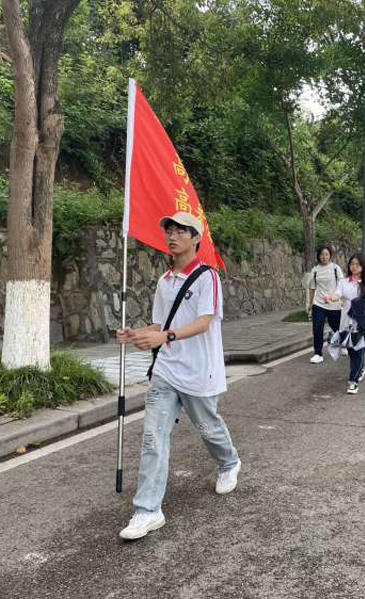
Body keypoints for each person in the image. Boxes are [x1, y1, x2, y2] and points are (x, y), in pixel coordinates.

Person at [116, 211, 240, 541]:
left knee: (208, 426)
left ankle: (229, 463)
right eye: (169, 230)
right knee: (153, 437)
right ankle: (147, 510)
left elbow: (204, 321)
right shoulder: (164, 280)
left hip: (199, 370)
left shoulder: (207, 277)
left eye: (180, 231)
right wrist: (137, 333)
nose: (172, 236)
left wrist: (164, 337)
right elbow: (160, 323)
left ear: (196, 238)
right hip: (167, 370)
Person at [323, 253, 365, 394]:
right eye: (352, 264)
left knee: (358, 351)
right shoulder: (344, 281)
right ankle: (360, 369)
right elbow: (337, 294)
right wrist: (330, 298)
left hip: (362, 324)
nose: (354, 267)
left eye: (357, 264)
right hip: (346, 322)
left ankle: (353, 381)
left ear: (363, 266)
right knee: (353, 351)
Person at [308, 245, 344, 364]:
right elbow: (312, 287)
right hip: (319, 304)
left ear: (330, 256)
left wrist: (342, 300)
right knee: (317, 328)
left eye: (326, 254)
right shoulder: (315, 270)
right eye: (322, 254)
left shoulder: (335, 268)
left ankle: (343, 345)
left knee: (337, 327)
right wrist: (311, 303)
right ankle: (318, 353)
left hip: (334, 304)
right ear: (318, 256)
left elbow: (342, 285)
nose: (324, 257)